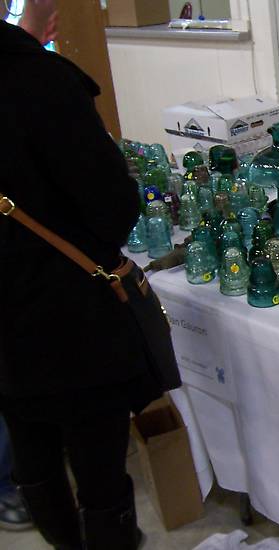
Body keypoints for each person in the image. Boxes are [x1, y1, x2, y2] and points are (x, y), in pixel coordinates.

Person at [0, 1, 164, 548]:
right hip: (66, 314)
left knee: (32, 447)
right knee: (98, 464)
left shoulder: (31, 72)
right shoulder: (41, 80)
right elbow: (113, 207)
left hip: (10, 328)